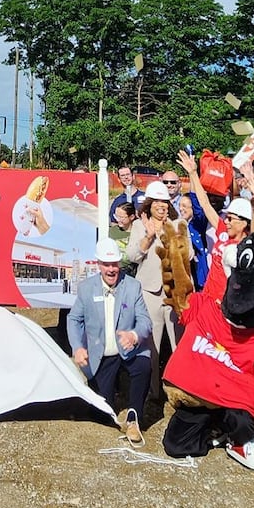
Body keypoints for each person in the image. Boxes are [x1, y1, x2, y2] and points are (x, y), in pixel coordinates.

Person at [67, 239, 152, 445]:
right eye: (107, 264)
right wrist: (78, 347)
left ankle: (134, 418)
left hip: (129, 350)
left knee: (144, 366)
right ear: (99, 264)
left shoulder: (133, 286)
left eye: (115, 264)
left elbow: (145, 321)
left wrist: (133, 335)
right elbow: (73, 319)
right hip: (102, 354)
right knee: (102, 414)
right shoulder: (87, 288)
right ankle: (104, 400)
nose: (112, 269)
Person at [125, 181, 176, 368]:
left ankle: (179, 390)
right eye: (157, 201)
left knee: (178, 345)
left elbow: (190, 255)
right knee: (150, 345)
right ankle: (152, 391)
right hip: (149, 292)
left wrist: (170, 235)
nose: (161, 205)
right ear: (149, 204)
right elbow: (131, 256)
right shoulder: (139, 225)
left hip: (174, 294)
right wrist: (148, 236)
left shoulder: (178, 224)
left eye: (165, 201)